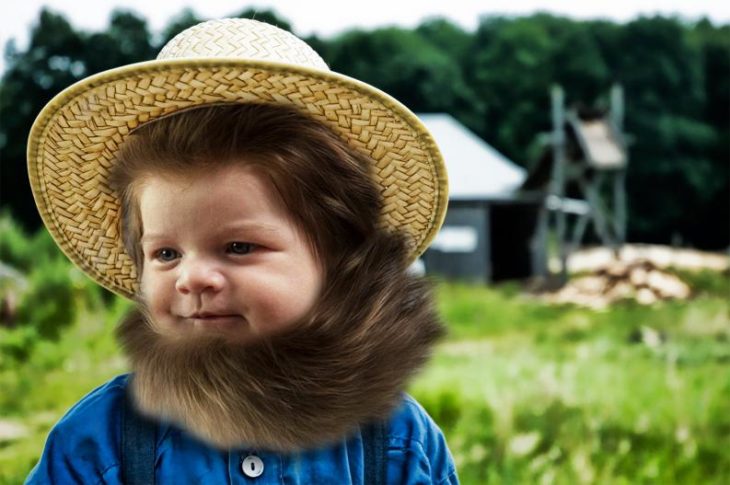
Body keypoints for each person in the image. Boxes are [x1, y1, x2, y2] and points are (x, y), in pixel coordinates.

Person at [25, 18, 457, 484]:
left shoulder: (395, 442)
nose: (191, 278)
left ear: (337, 261)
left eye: (237, 246)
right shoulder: (98, 443)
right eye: (166, 254)